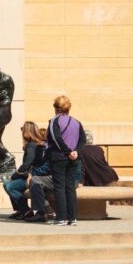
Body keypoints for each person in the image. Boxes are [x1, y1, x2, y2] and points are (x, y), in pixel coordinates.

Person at [45, 95, 86, 226]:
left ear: (56, 108)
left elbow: (56, 139)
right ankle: (72, 218)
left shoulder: (54, 121)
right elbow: (83, 140)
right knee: (70, 188)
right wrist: (75, 152)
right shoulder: (77, 122)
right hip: (74, 158)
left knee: (59, 187)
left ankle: (61, 218)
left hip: (59, 157)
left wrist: (68, 152)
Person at [3, 121, 46, 220]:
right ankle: (21, 210)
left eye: (23, 130)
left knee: (9, 186)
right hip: (33, 175)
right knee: (8, 184)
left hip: (31, 176)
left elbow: (27, 163)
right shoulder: (36, 144)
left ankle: (25, 210)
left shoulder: (31, 145)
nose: (21, 133)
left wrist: (15, 175)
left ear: (27, 132)